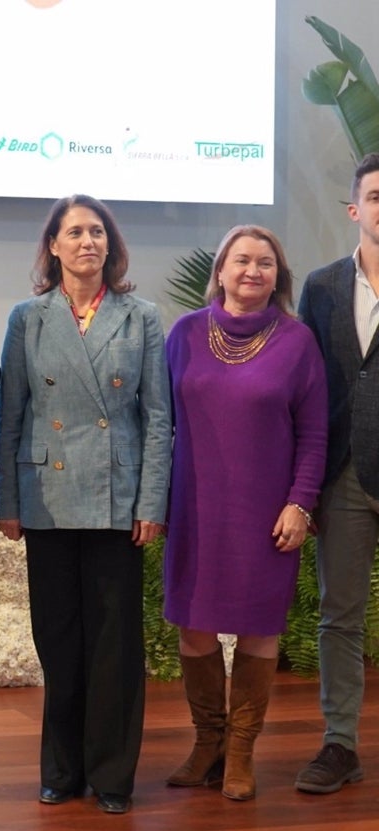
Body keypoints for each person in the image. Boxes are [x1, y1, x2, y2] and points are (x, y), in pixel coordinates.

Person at [0, 194, 170, 815]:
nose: (87, 241)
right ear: (54, 246)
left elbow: (156, 417)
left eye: (97, 231)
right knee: (58, 640)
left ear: (110, 245)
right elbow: (10, 415)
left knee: (116, 645)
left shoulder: (141, 316)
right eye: (75, 232)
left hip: (117, 500)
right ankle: (61, 770)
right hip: (46, 497)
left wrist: (152, 501)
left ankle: (113, 775)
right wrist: (7, 500)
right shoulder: (28, 317)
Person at [164, 225, 327, 801]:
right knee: (195, 626)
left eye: (264, 262)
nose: (252, 271)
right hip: (194, 504)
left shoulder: (298, 341)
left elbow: (313, 434)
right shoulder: (183, 333)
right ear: (222, 269)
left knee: (259, 629)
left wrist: (299, 503)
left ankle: (240, 751)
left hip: (266, 510)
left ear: (277, 276)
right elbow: (161, 424)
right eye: (241, 260)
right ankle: (207, 743)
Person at [295, 151, 379, 795]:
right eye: (375, 196)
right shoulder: (321, 287)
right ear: (355, 210)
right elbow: (309, 389)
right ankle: (340, 744)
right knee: (339, 615)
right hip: (345, 473)